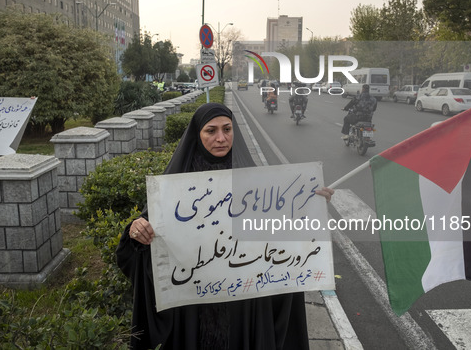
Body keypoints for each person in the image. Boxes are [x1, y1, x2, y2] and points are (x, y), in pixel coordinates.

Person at [116, 102, 334, 350]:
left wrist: (307, 202)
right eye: (211, 131)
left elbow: (279, 226)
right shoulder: (174, 186)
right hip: (193, 306)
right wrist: (137, 232)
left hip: (244, 304)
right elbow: (143, 240)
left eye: (227, 129)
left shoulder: (256, 181)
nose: (221, 138)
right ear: (197, 134)